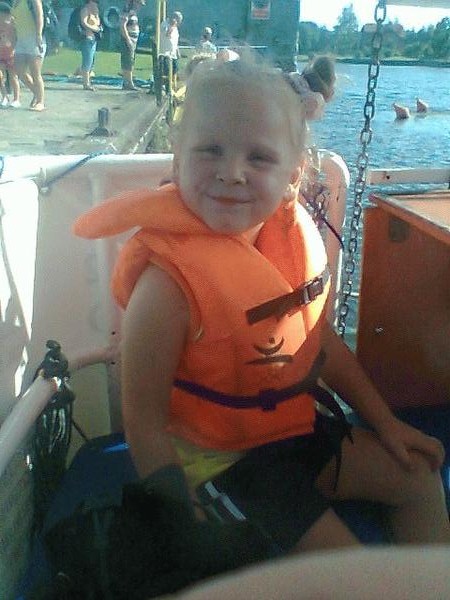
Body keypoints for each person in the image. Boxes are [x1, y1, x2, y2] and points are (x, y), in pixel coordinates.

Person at [74, 57, 450, 567]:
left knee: (420, 479)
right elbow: (142, 419)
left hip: (291, 432)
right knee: (353, 574)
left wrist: (386, 425)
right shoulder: (166, 286)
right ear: (178, 161)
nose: (232, 172)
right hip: (219, 463)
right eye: (210, 150)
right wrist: (176, 507)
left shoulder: (285, 242)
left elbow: (318, 344)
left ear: (292, 177)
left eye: (259, 157)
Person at [11, 0, 45, 111]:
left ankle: (40, 102)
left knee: (35, 73)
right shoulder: (15, 2)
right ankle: (36, 93)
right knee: (19, 71)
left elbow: (40, 15)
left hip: (34, 38)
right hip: (20, 40)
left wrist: (39, 34)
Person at [119, 0, 145, 91]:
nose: (140, 6)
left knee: (131, 60)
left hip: (134, 39)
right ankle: (129, 83)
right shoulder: (127, 12)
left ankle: (127, 82)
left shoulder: (134, 13)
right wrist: (128, 40)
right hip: (128, 39)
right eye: (139, 4)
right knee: (128, 61)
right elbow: (122, 26)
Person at [0, 1, 20, 108]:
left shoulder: (12, 24)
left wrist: (14, 48)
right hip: (1, 53)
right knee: (0, 76)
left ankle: (16, 99)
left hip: (11, 53)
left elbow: (16, 38)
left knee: (13, 77)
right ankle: (4, 96)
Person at [79, 0, 102, 91]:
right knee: (87, 61)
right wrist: (94, 29)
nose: (97, 3)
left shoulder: (95, 11)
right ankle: (86, 83)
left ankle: (88, 81)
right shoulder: (85, 10)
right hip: (87, 38)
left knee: (91, 61)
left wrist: (96, 14)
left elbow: (98, 23)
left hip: (94, 39)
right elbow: (84, 23)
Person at [158, 10, 182, 91]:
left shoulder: (175, 27)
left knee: (175, 70)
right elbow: (167, 34)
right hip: (165, 53)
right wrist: (172, 26)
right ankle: (166, 88)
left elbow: (175, 40)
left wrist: (177, 50)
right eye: (178, 20)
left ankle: (172, 86)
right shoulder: (165, 24)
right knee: (167, 72)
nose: (179, 23)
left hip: (173, 53)